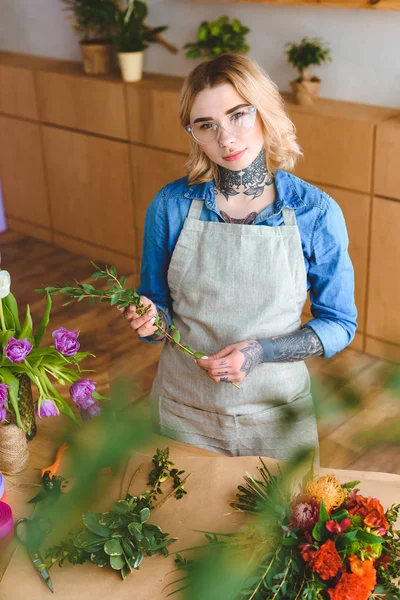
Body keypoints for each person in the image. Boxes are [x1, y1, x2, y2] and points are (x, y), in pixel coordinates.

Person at [119, 53, 357, 459]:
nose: (225, 138)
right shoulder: (170, 206)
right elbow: (158, 312)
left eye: (238, 115)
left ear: (265, 110)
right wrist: (147, 319)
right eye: (206, 125)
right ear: (192, 132)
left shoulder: (315, 212)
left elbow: (339, 324)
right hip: (183, 412)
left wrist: (261, 352)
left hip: (278, 418)